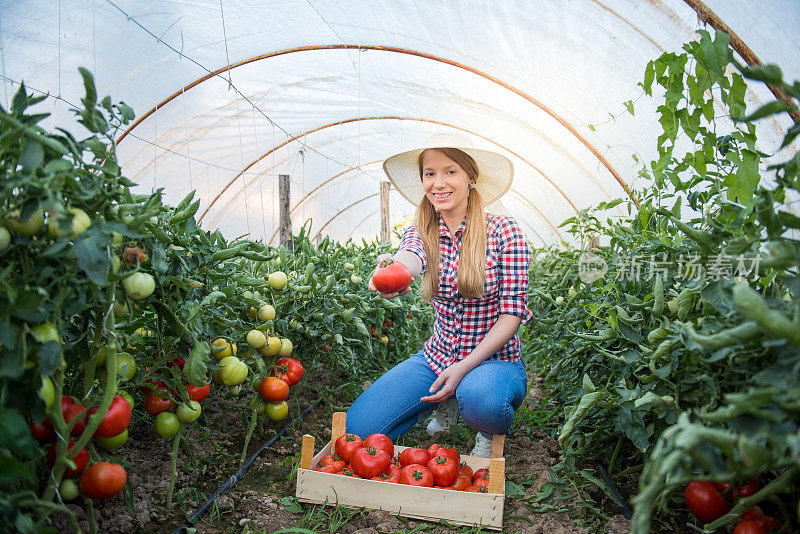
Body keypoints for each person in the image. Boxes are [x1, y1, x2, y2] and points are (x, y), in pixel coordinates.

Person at [345, 134, 532, 457]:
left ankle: (486, 431)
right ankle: (446, 399)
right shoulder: (421, 229)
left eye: (450, 171)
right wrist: (394, 272)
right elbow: (411, 257)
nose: (438, 182)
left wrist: (462, 369)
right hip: (437, 357)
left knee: (483, 398)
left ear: (471, 178)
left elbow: (511, 316)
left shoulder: (504, 231)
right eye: (430, 174)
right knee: (359, 428)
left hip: (494, 362)